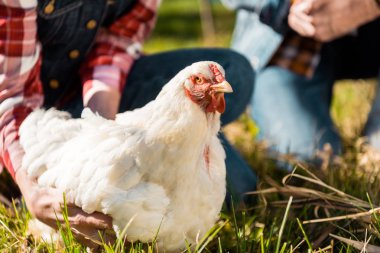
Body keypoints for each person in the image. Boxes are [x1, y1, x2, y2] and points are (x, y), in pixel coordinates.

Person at [0, 0, 257, 247]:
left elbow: (116, 43)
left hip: (96, 96)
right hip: (28, 109)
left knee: (240, 187)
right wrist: (33, 191)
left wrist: (99, 126)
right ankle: (25, 180)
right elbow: (10, 94)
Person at [223, 0, 380, 166]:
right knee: (307, 161)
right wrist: (287, 5)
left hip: (371, 31)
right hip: (288, 41)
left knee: (375, 157)